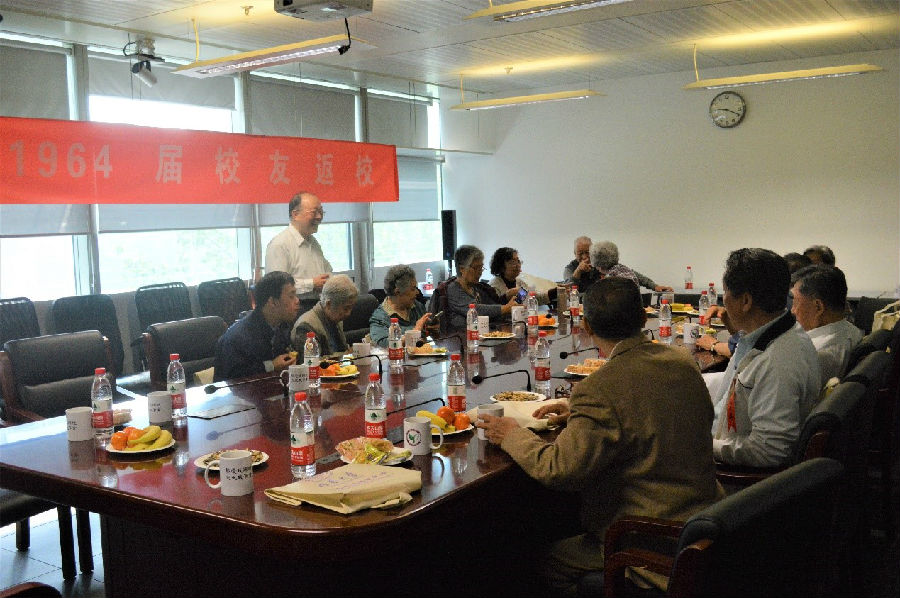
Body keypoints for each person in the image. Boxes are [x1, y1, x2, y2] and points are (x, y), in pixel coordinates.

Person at [475, 277, 723, 595]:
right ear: (642, 317)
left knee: (542, 561)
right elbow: (652, 408)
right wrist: (579, 412)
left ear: (587, 326)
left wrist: (512, 435)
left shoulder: (598, 388)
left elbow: (559, 469)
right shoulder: (682, 361)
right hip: (704, 518)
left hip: (647, 539)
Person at [705, 248, 821, 468]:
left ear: (745, 301)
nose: (723, 300)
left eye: (725, 292)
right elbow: (737, 384)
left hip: (728, 470)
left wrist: (701, 444)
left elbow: (769, 451)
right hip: (721, 435)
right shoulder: (771, 333)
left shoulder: (778, 361)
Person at [213, 271, 298, 381]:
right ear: (272, 302)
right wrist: (271, 366)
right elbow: (234, 379)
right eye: (291, 296)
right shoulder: (237, 338)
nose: (297, 301)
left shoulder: (283, 326)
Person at [790, 264, 862, 381]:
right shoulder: (852, 331)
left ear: (818, 307)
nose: (792, 311)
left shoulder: (814, 355)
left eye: (795, 303)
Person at [264, 191, 332, 301]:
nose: (319, 217)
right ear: (295, 215)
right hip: (295, 308)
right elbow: (276, 287)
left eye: (321, 212)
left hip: (319, 304)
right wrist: (312, 284)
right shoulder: (279, 245)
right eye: (314, 212)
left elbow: (328, 272)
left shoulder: (313, 243)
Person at [565, 236, 672, 292]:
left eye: (587, 252)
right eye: (580, 253)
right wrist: (578, 271)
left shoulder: (602, 264)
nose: (585, 257)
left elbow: (632, 273)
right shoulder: (569, 268)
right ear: (574, 253)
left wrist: (654, 286)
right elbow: (568, 290)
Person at [446, 245, 517, 330]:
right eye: (476, 268)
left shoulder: (476, 288)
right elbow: (476, 310)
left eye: (481, 267)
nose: (480, 272)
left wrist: (508, 303)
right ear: (462, 269)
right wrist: (506, 308)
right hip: (461, 336)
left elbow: (492, 307)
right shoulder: (454, 289)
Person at [369, 265, 436, 348]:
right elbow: (383, 345)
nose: (417, 292)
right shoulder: (380, 318)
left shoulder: (417, 306)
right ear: (397, 292)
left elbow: (425, 334)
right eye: (413, 289)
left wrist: (431, 328)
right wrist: (415, 331)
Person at [291, 274, 358, 356]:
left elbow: (342, 349)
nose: (348, 313)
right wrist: (346, 355)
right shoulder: (306, 327)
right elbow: (311, 362)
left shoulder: (336, 318)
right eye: (346, 308)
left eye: (351, 308)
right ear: (329, 304)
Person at [488, 247, 556, 306]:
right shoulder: (493, 286)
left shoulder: (520, 282)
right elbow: (493, 309)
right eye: (513, 262)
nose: (518, 265)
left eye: (518, 261)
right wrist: (506, 296)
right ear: (501, 267)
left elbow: (533, 299)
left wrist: (556, 291)